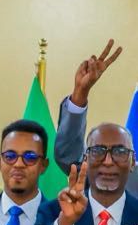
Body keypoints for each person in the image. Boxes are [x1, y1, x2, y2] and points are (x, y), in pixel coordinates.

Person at [51, 39, 124, 174]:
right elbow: (69, 158)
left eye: (120, 152)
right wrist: (81, 91)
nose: (108, 161)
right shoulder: (95, 172)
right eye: (99, 152)